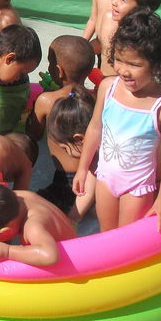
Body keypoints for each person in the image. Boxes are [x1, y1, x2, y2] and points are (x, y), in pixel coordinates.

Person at [74, 9, 161, 234]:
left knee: (127, 237)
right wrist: (83, 168)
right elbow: (95, 128)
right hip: (105, 178)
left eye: (134, 64)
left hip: (137, 187)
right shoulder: (107, 88)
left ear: (157, 64)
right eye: (119, 60)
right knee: (106, 232)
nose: (124, 70)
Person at [0, 182, 76, 267]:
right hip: (66, 238)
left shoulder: (32, 227)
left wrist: (8, 251)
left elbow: (50, 256)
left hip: (71, 262)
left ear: (5, 232)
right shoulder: (20, 196)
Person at [41, 87, 96, 222]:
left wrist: (71, 220)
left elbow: (88, 191)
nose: (64, 151)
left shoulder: (100, 156)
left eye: (65, 147)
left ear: (79, 139)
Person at [26, 35, 95, 141]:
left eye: (50, 62)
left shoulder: (45, 100)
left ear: (59, 71)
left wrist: (36, 105)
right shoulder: (96, 99)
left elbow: (33, 135)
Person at [98, 0, 161, 77]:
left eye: (122, 0)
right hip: (103, 82)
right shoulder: (108, 18)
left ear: (143, 9)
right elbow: (100, 43)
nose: (114, 2)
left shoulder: (148, 34)